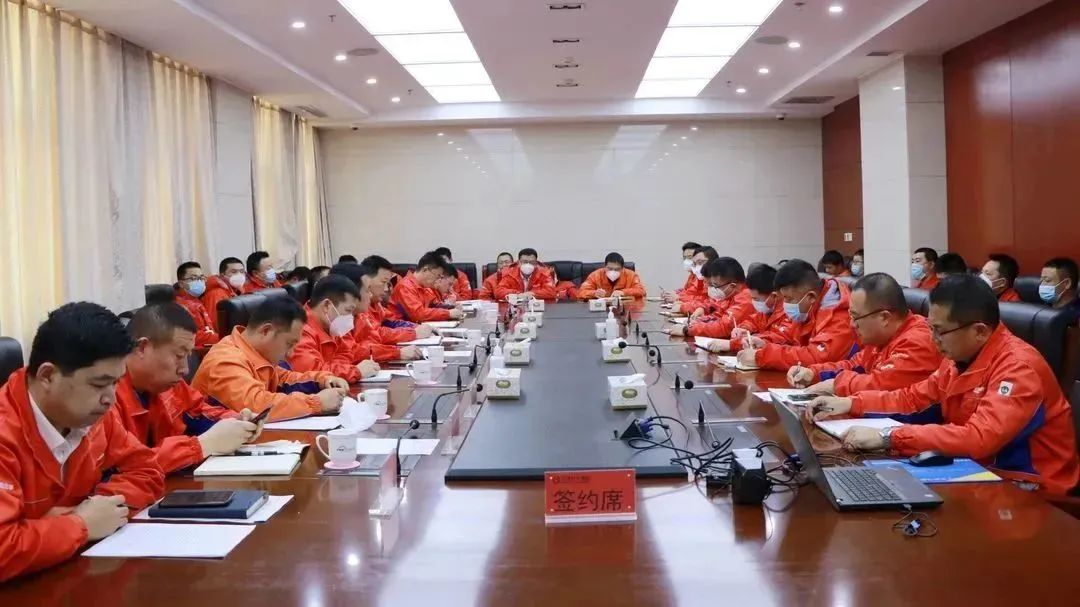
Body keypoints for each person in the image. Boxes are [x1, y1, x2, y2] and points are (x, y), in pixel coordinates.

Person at [808, 274, 1080, 495]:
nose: (933, 339)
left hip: (1031, 486)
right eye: (931, 328)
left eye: (940, 331)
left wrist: (890, 436)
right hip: (977, 470)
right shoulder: (958, 357)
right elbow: (912, 398)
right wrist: (851, 403)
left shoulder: (1018, 368)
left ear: (979, 331)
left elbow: (980, 438)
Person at [0, 302, 164, 582]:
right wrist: (81, 524)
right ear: (48, 375)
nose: (111, 398)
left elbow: (147, 470)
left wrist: (97, 507)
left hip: (65, 573)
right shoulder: (6, 431)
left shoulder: (92, 415)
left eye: (116, 382)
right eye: (99, 384)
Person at [115, 303, 261, 474]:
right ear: (142, 347)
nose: (185, 369)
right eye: (178, 355)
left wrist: (238, 421)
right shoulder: (104, 399)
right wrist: (201, 445)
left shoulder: (167, 385)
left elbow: (198, 411)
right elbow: (128, 468)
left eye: (187, 356)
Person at [192, 296, 349, 421]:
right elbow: (256, 404)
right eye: (289, 344)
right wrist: (316, 403)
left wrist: (323, 379)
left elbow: (285, 379)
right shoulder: (225, 360)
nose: (291, 353)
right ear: (266, 331)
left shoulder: (256, 354)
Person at [789, 273, 941, 395]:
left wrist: (837, 385)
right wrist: (813, 372)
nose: (851, 324)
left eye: (856, 317)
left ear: (884, 317)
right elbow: (854, 365)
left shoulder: (918, 341)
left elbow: (880, 386)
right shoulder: (879, 338)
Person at [735, 259, 856, 371]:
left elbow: (816, 356)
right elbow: (788, 336)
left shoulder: (840, 316)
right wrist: (764, 342)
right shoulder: (808, 307)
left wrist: (761, 356)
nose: (785, 305)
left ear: (811, 297)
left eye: (789, 299)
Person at [289, 274, 380, 382]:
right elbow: (313, 373)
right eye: (348, 310)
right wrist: (355, 371)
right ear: (327, 305)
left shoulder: (331, 325)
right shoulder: (299, 330)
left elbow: (346, 354)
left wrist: (337, 368)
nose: (350, 318)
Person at [337, 262, 426, 363]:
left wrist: (414, 329)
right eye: (367, 290)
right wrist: (398, 351)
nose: (386, 289)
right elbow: (352, 352)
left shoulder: (359, 314)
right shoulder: (339, 322)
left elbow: (375, 338)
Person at [701, 264, 796, 353]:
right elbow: (753, 321)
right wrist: (743, 329)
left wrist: (732, 344)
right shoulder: (767, 309)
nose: (754, 302)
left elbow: (776, 339)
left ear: (774, 296)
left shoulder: (790, 312)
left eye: (756, 299)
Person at [668, 257, 754, 339]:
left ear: (732, 286)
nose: (713, 289)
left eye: (715, 286)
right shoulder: (730, 294)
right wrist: (699, 321)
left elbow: (724, 327)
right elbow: (717, 314)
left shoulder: (745, 298)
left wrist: (687, 330)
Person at [388, 252, 466, 322]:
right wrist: (448, 313)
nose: (438, 280)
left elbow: (433, 305)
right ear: (425, 270)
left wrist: (451, 307)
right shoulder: (405, 286)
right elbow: (418, 314)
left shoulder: (423, 287)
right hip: (399, 327)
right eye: (437, 276)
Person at [174, 261, 220, 351]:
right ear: (181, 284)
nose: (199, 281)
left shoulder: (195, 300)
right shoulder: (179, 306)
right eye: (193, 278)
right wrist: (222, 338)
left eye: (201, 278)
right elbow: (190, 336)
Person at [202, 256, 247, 333]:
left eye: (242, 271)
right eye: (234, 272)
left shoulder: (239, 290)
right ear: (222, 275)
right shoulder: (216, 293)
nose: (239, 275)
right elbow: (217, 324)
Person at [671, 245, 719, 314]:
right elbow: (699, 299)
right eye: (695, 264)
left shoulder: (721, 281)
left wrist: (682, 302)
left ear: (713, 261)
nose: (697, 267)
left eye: (700, 262)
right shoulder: (700, 278)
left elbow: (711, 305)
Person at [578, 252, 646, 300]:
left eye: (617, 269)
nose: (613, 272)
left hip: (625, 308)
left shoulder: (631, 275)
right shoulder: (595, 275)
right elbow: (580, 293)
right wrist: (594, 293)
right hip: (601, 310)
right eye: (610, 269)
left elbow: (641, 291)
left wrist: (623, 292)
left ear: (623, 268)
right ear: (605, 267)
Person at [1040, 257, 1080, 322]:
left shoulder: (1076, 316)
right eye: (1041, 280)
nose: (1041, 285)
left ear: (1066, 284)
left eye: (1047, 280)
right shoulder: (1042, 307)